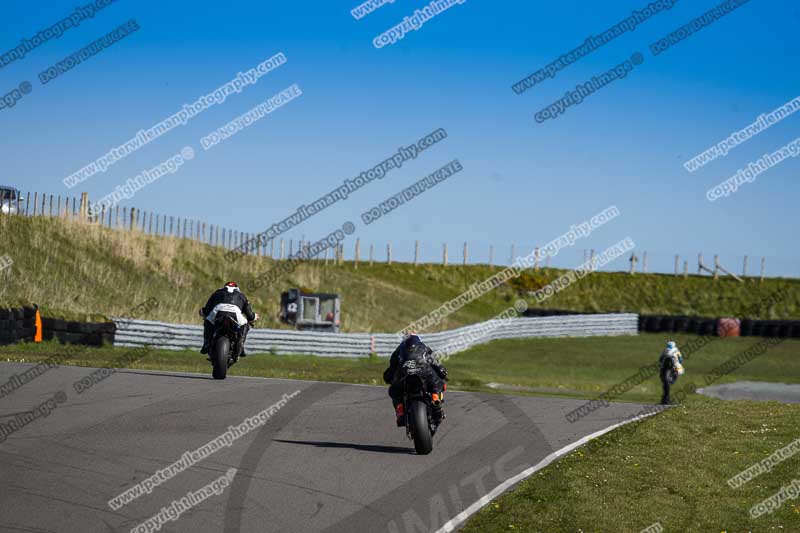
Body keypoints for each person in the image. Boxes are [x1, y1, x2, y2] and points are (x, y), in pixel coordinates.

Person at [383, 333, 448, 427]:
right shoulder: (424, 347)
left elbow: (392, 367)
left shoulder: (399, 350)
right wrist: (442, 372)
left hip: (404, 373)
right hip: (424, 371)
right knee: (438, 383)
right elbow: (434, 362)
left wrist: (388, 377)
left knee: (394, 391)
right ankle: (435, 399)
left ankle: (400, 412)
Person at [200, 282, 259, 356]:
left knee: (207, 321)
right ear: (237, 288)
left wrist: (203, 312)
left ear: (225, 287)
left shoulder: (217, 292)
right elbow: (250, 314)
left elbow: (207, 309)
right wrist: (254, 316)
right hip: (235, 313)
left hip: (218, 311)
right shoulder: (241, 295)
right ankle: (241, 345)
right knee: (245, 324)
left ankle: (206, 343)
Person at [659, 340, 685, 405]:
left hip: (666, 368)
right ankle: (665, 399)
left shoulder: (665, 350)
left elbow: (660, 359)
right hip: (669, 368)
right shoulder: (676, 350)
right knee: (667, 384)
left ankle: (665, 399)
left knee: (666, 384)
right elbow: (681, 359)